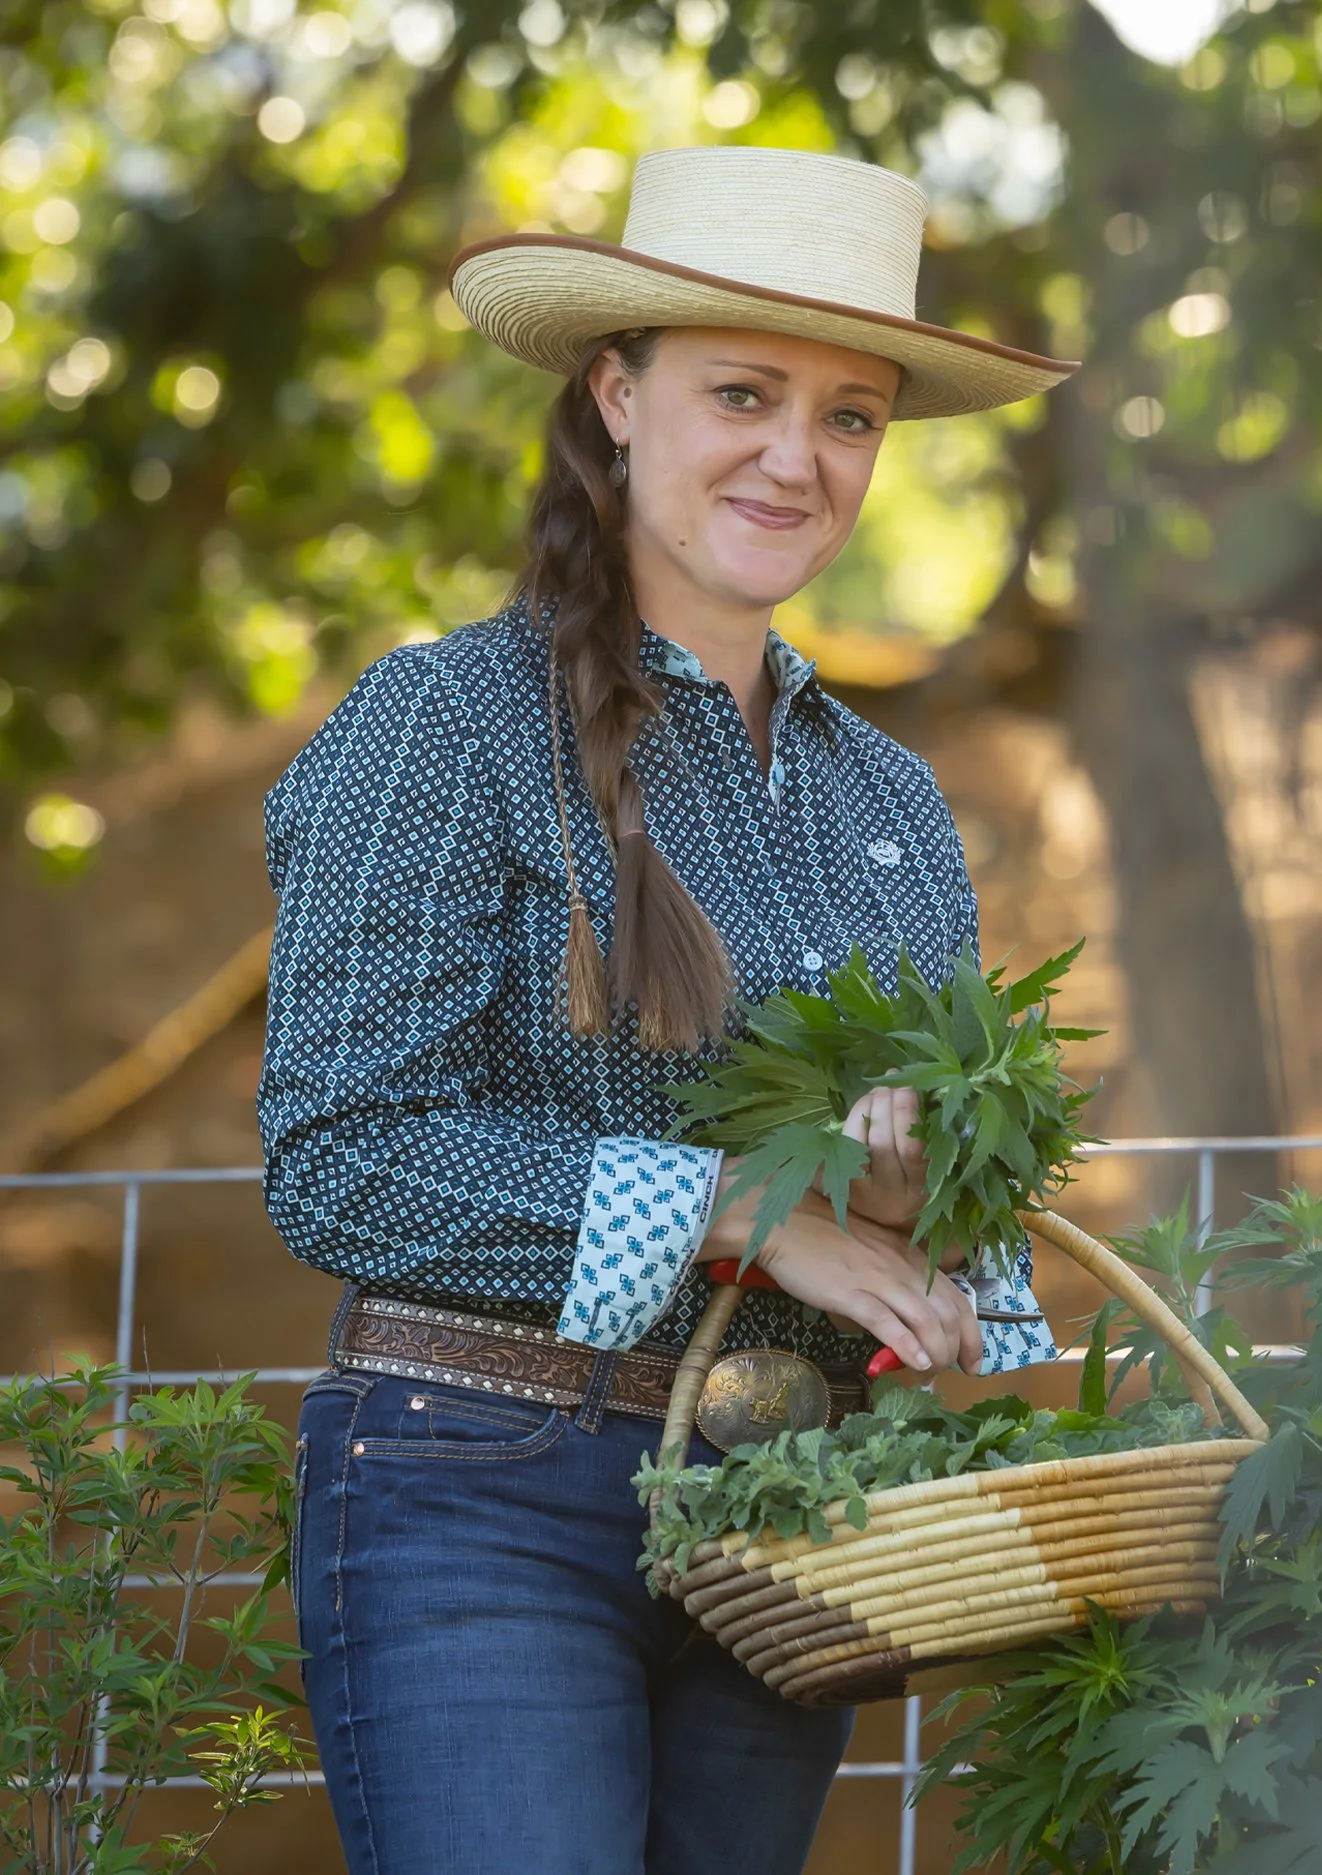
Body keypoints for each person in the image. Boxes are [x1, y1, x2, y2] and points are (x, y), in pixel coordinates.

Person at [257, 146, 1078, 1875]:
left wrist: (912, 1203)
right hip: (479, 1484)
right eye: (743, 394)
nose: (797, 456)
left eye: (849, 417)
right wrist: (745, 1207)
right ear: (617, 396)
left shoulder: (891, 798)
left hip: (782, 1508)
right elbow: (343, 1158)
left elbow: (928, 1241)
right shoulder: (443, 722)